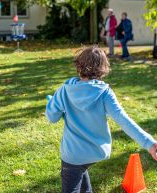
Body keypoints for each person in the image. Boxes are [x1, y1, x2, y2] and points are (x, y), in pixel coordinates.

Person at [45, 46, 157, 193]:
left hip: (72, 155)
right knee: (82, 172)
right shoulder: (106, 93)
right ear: (102, 70)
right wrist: (149, 143)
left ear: (79, 66)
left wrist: (51, 104)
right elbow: (123, 120)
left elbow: (52, 118)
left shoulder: (63, 91)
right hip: (95, 152)